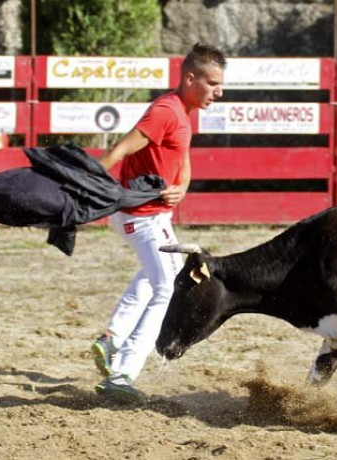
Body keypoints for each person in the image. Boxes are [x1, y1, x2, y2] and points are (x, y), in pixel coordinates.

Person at [90, 43, 226, 400]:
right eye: (212, 83)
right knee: (166, 287)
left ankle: (112, 339)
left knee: (158, 277)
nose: (219, 92)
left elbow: (182, 157)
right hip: (141, 216)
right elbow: (121, 148)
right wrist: (83, 183)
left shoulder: (184, 111)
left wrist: (182, 187)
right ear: (190, 78)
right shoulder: (166, 110)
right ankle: (121, 375)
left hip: (152, 215)